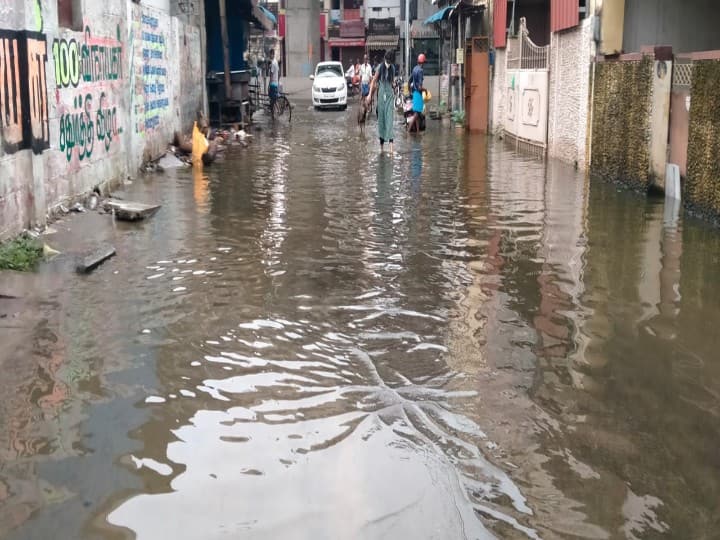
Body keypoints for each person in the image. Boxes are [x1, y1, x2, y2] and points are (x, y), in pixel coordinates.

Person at [367, 50, 396, 154]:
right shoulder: (380, 67)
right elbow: (374, 81)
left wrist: (394, 85)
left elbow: (392, 81)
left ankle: (392, 149)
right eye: (387, 61)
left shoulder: (392, 68)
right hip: (381, 97)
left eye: (390, 61)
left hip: (389, 96)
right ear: (385, 59)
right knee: (382, 121)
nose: (388, 63)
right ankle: (382, 148)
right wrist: (370, 95)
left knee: (389, 120)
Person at [407, 53, 425, 133]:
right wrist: (426, 90)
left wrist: (410, 92)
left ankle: (417, 131)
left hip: (414, 93)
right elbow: (420, 87)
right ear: (423, 62)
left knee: (416, 113)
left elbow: (409, 82)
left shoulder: (414, 69)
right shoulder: (420, 71)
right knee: (416, 114)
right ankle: (408, 131)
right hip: (418, 93)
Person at [268, 48, 280, 115]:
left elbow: (271, 75)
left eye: (270, 54)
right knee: (275, 99)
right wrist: (277, 81)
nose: (270, 56)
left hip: (273, 84)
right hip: (276, 83)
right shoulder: (276, 61)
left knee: (272, 100)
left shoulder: (273, 63)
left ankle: (274, 114)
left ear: (272, 54)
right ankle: (278, 111)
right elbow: (278, 72)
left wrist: (269, 85)